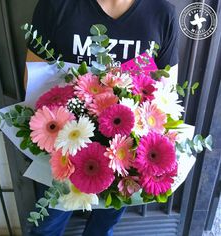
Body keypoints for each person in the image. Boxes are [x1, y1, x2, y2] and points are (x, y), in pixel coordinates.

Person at [25, 0, 179, 235]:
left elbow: (166, 92)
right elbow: (33, 84)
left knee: (104, 225)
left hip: (125, 158)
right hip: (62, 152)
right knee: (47, 223)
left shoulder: (162, 13)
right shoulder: (55, 5)